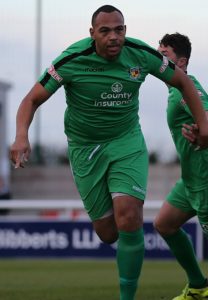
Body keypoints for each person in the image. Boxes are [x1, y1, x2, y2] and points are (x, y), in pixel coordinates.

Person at [10, 6, 208, 300]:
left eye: (120, 29)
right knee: (108, 232)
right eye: (105, 31)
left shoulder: (140, 55)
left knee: (129, 216)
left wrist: (203, 125)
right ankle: (198, 285)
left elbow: (182, 81)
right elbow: (31, 99)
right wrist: (21, 136)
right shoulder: (72, 59)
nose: (114, 37)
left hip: (126, 141)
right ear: (92, 34)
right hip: (85, 148)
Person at [154, 32, 208, 300]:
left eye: (164, 56)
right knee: (164, 224)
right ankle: (199, 286)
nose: (158, 61)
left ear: (182, 62)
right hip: (190, 181)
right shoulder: (175, 89)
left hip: (205, 179)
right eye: (158, 54)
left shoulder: (188, 88)